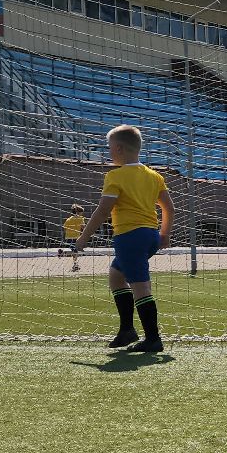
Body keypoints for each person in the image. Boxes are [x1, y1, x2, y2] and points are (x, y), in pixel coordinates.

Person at [70, 125, 173, 352]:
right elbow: (169, 208)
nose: (108, 152)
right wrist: (164, 234)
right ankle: (127, 331)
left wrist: (83, 239)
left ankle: (153, 339)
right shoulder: (154, 176)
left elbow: (103, 211)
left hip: (129, 237)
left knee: (140, 287)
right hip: (150, 235)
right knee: (116, 277)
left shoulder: (115, 176)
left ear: (118, 149)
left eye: (109, 148)